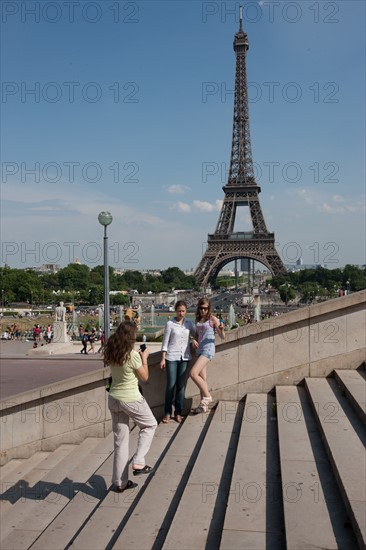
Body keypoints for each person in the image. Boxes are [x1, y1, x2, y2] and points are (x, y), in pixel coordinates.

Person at [104, 321, 157, 492]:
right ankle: (139, 462)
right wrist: (145, 359)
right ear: (130, 337)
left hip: (114, 398)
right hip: (131, 398)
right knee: (150, 425)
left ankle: (120, 482)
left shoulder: (112, 351)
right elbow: (145, 377)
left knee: (120, 442)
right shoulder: (132, 355)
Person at [160, 300, 196, 424]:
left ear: (186, 311)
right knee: (171, 385)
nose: (181, 313)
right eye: (179, 311)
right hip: (171, 357)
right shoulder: (170, 323)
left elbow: (196, 334)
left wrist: (194, 340)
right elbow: (165, 341)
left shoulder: (189, 323)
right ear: (176, 311)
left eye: (183, 311)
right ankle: (167, 412)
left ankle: (178, 412)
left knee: (181, 386)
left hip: (185, 357)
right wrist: (163, 357)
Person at [190, 297, 225, 414]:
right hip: (199, 350)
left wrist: (221, 329)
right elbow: (197, 335)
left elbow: (222, 336)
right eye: (201, 308)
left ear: (209, 308)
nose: (203, 310)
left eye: (205, 308)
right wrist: (193, 341)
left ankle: (207, 396)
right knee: (203, 378)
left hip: (208, 349)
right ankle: (203, 405)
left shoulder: (212, 319)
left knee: (193, 373)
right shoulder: (198, 319)